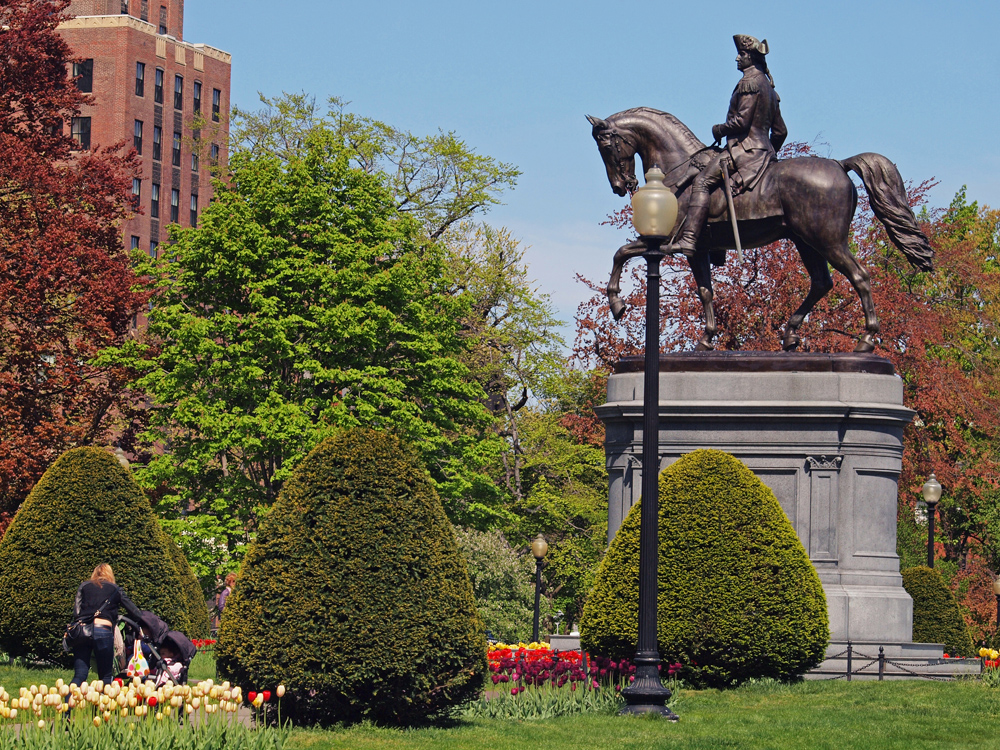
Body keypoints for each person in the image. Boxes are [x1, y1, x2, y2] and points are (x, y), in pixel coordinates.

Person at [670, 34, 787, 257]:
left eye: (741, 54)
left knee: (703, 182)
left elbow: (741, 121)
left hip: (743, 150)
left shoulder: (749, 83)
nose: (737, 58)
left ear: (751, 58)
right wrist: (768, 155)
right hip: (761, 151)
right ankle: (717, 248)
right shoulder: (771, 91)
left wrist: (719, 129)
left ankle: (689, 239)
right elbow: (781, 131)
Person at [70, 563, 140, 686]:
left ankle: (67, 704)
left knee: (80, 674)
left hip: (83, 631)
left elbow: (77, 613)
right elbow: (135, 612)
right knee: (105, 676)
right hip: (103, 630)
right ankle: (103, 704)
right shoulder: (116, 589)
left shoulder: (84, 586)